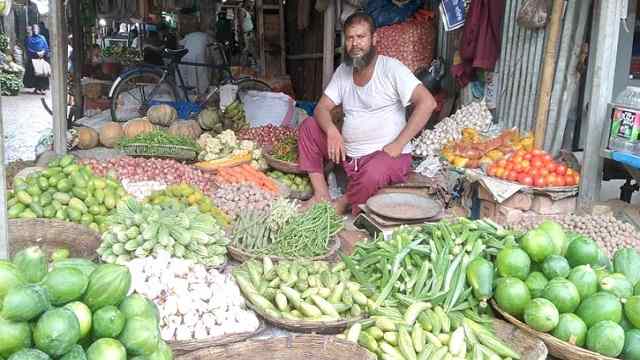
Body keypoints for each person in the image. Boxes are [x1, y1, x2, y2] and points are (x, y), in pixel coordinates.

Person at [298, 12, 437, 215]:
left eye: (361, 37)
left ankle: (345, 201)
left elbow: (427, 103)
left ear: (373, 39)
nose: (355, 44)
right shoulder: (343, 71)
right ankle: (321, 194)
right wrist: (332, 131)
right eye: (350, 38)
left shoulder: (391, 68)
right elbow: (321, 108)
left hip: (386, 155)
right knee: (309, 127)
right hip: (349, 154)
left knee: (373, 172)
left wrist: (398, 144)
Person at [178, 23, 212, 95]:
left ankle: (189, 95)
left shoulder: (190, 35)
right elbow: (211, 53)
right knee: (201, 76)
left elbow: (180, 45)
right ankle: (199, 94)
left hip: (185, 56)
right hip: (199, 57)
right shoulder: (207, 36)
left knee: (186, 78)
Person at [24, 24, 50, 95]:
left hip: (41, 58)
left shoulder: (42, 38)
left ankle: (42, 88)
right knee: (34, 73)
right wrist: (36, 53)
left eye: (36, 29)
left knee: (43, 74)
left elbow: (46, 47)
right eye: (34, 29)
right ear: (32, 30)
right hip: (33, 59)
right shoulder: (29, 39)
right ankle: (36, 88)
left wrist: (43, 52)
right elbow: (28, 49)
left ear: (38, 30)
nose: (35, 30)